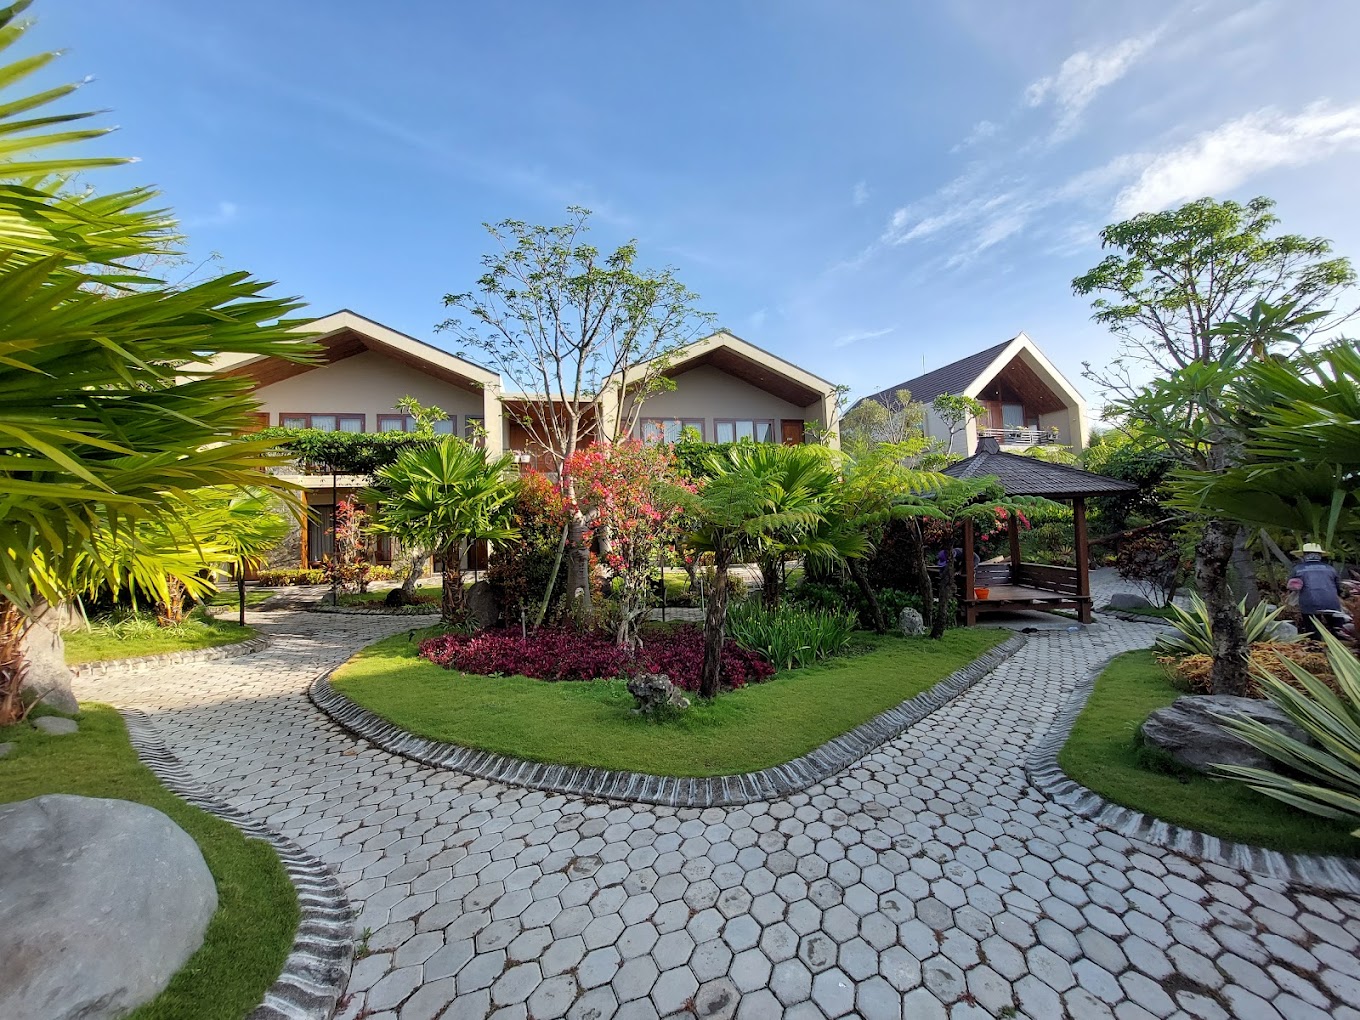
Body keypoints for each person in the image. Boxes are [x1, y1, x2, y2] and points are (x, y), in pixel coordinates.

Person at [1288, 543, 1343, 637]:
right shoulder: (1331, 569)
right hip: (1331, 601)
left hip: (1309, 602)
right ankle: (1339, 648)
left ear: (1304, 555)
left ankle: (1316, 646)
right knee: (1338, 629)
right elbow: (1339, 587)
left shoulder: (1297, 569)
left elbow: (1292, 586)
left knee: (1313, 630)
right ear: (1320, 555)